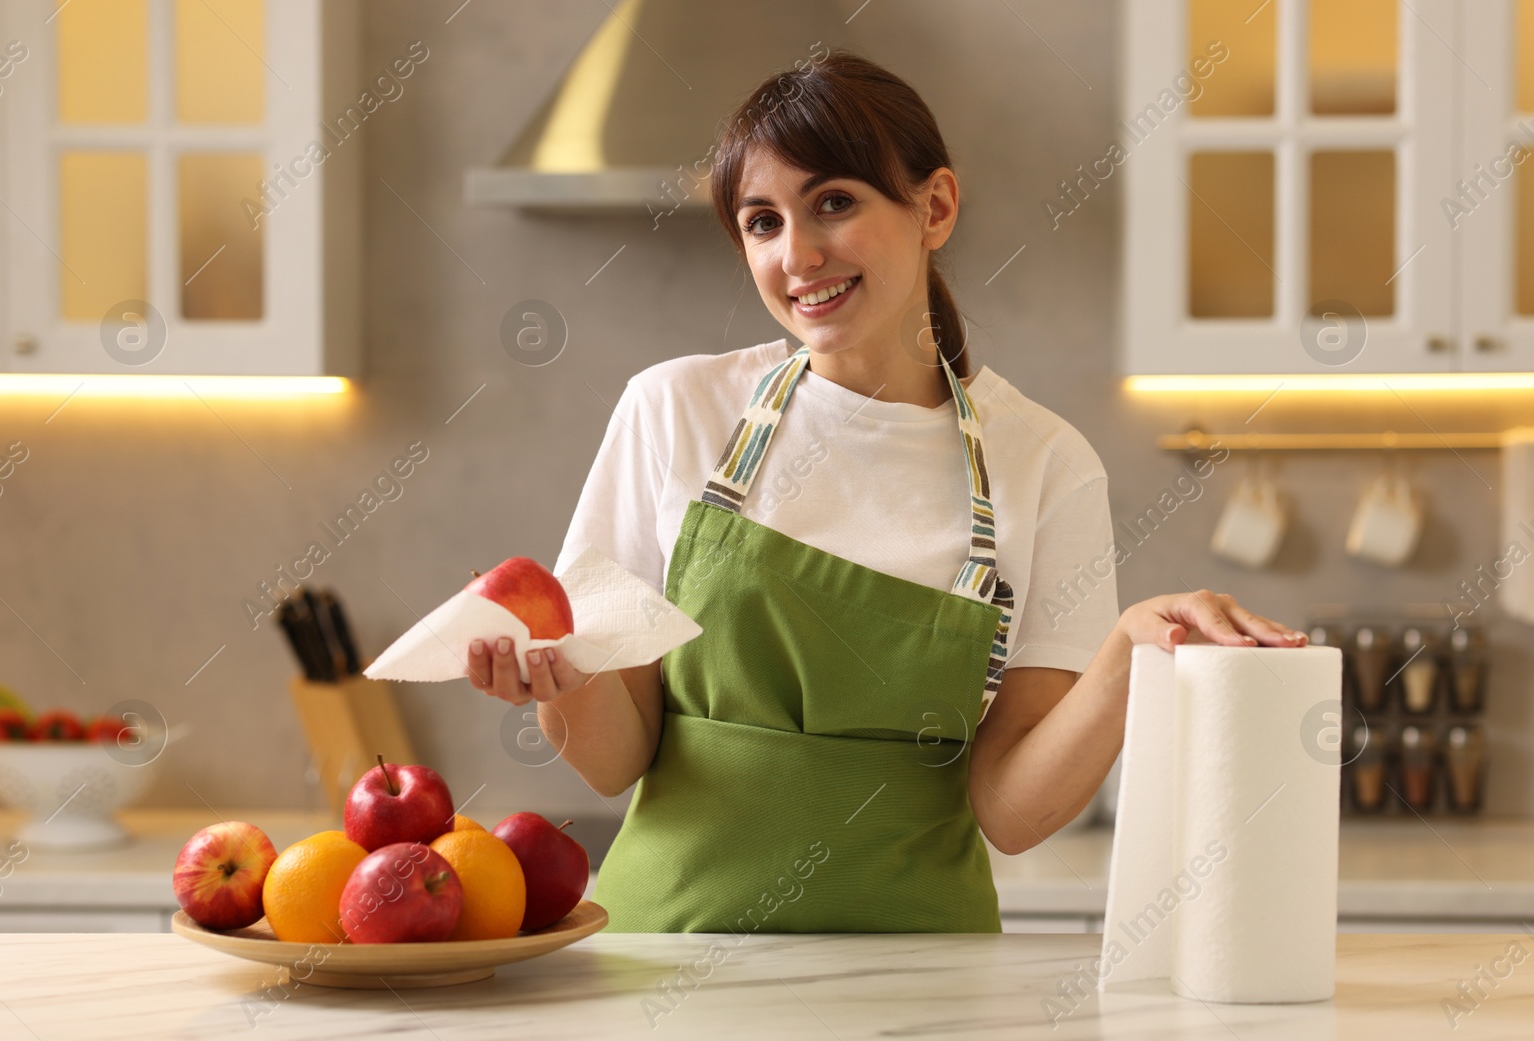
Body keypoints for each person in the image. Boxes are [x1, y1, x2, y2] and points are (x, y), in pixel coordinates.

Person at [466, 51, 1307, 933]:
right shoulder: (671, 410)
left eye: (834, 202)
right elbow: (615, 758)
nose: (798, 255)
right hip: (668, 959)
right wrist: (559, 680)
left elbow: (1011, 813)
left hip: (921, 985)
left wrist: (1130, 654)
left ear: (934, 207)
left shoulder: (1047, 462)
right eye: (761, 222)